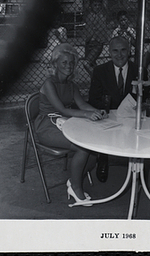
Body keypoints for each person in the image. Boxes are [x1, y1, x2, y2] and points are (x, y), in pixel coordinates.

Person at [34, 43, 107, 205]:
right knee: (82, 147)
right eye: (64, 62)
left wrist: (98, 111)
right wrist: (87, 114)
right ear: (55, 64)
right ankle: (76, 188)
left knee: (93, 150)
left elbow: (82, 105)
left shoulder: (71, 85)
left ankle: (74, 180)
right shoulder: (49, 83)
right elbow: (62, 109)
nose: (69, 66)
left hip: (65, 122)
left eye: (71, 62)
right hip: (47, 126)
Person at [88, 36, 150, 182]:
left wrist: (138, 105)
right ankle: (103, 158)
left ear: (129, 51)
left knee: (141, 130)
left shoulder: (139, 71)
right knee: (100, 127)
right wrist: (107, 109)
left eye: (123, 50)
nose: (119, 54)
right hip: (109, 115)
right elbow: (93, 99)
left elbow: (146, 96)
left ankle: (139, 166)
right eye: (115, 51)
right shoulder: (100, 71)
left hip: (131, 116)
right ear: (109, 52)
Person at [83, 0, 108, 77]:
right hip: (88, 43)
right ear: (91, 5)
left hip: (97, 44)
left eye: (98, 5)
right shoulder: (89, 15)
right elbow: (85, 5)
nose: (97, 7)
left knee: (86, 63)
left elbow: (105, 5)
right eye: (95, 5)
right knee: (92, 64)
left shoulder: (102, 15)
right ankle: (101, 77)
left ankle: (97, 80)